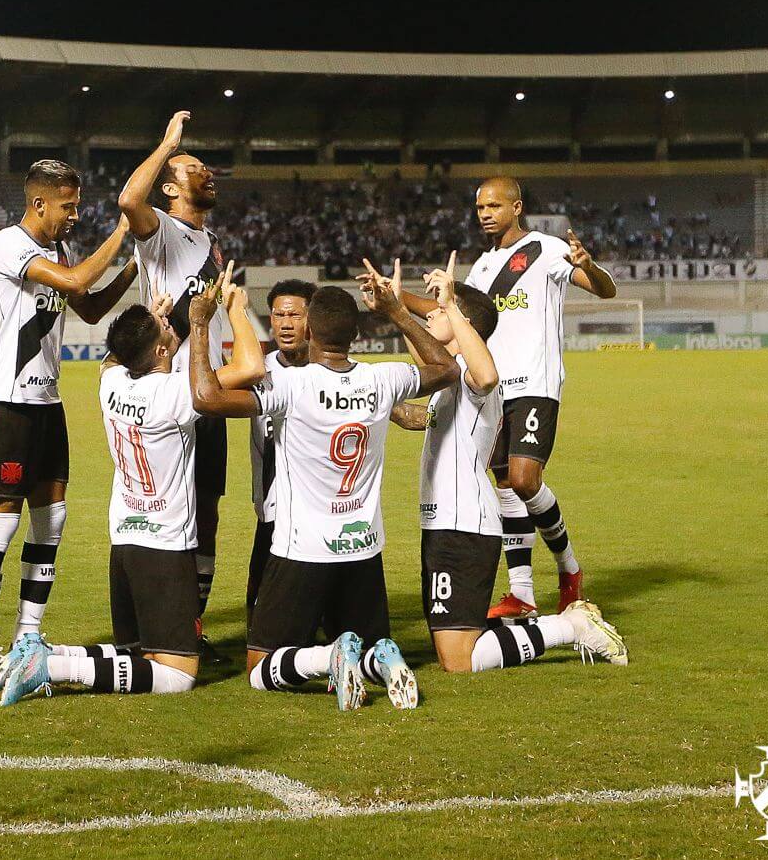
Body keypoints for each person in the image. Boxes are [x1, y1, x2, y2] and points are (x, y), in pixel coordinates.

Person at [189, 265, 457, 711]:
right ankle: (377, 662)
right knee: (368, 641)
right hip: (363, 546)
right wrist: (397, 312)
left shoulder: (292, 385)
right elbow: (445, 367)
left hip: (302, 547)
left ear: (310, 328)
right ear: (357, 334)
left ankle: (330, 657)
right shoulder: (383, 379)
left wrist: (200, 325)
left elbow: (206, 398)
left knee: (260, 665)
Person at [0, 275, 265, 705]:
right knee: (176, 675)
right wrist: (228, 310)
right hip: (165, 547)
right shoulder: (174, 394)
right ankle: (51, 666)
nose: (173, 332)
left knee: (141, 655)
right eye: (166, 332)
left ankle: (45, 653)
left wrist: (147, 321)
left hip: (125, 542)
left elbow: (112, 358)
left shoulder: (112, 385)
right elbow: (251, 367)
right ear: (158, 351)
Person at [391, 260, 627, 670]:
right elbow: (419, 405)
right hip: (445, 521)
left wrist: (444, 308)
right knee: (455, 645)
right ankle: (561, 625)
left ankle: (573, 628)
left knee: (459, 660)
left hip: (463, 523)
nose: (427, 316)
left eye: (436, 313)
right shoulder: (450, 376)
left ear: (461, 321)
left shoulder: (472, 372)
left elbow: (485, 376)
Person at [0, 159, 140, 677]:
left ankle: (27, 636)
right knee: (3, 519)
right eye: (69, 206)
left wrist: (133, 267)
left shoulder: (57, 249)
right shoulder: (8, 245)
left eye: (77, 206)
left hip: (48, 403)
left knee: (52, 518)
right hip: (8, 402)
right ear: (40, 204)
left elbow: (88, 306)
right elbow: (78, 278)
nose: (76, 216)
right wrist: (123, 229)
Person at [459, 177, 616, 619]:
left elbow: (605, 290)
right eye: (479, 207)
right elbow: (459, 322)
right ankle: (522, 593)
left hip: (535, 384)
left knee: (526, 480)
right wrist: (400, 302)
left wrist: (591, 265)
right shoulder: (481, 268)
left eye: (494, 205)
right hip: (492, 388)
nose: (485, 213)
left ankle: (569, 569)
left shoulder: (546, 249)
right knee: (506, 487)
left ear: (517, 207)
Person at [118, 110, 232, 658]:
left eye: (207, 167)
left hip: (205, 387)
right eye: (195, 168)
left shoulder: (210, 242)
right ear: (170, 185)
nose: (206, 174)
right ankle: (152, 620)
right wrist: (167, 145)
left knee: (207, 504)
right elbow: (127, 203)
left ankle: (192, 622)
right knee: (169, 506)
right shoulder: (161, 230)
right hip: (167, 392)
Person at [246, 278, 316, 625]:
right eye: (278, 315)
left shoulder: (329, 369)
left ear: (312, 320)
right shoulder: (257, 371)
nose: (286, 324)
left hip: (320, 512)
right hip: (272, 511)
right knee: (260, 618)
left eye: (295, 315)